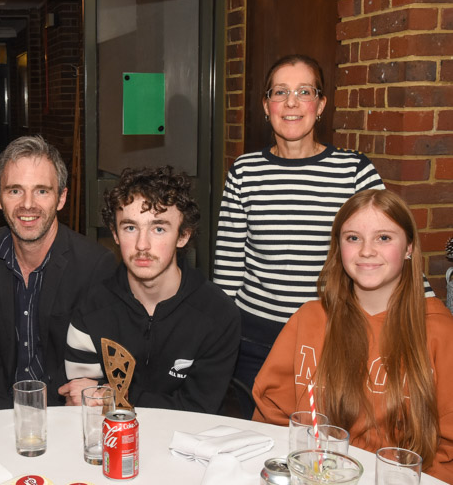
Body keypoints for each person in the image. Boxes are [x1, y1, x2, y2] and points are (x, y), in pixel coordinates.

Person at [213, 54, 385, 413]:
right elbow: (228, 269)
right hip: (254, 340)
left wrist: (427, 313)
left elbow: (387, 250)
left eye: (304, 92)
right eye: (280, 92)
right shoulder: (244, 171)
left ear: (320, 105)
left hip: (330, 336)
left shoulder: (354, 171)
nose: (291, 103)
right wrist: (218, 338)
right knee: (254, 434)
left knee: (324, 436)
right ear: (266, 106)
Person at [252, 189, 453, 482]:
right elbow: (272, 421)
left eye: (383, 238)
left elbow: (448, 452)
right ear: (338, 247)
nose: (366, 250)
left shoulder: (440, 330)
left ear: (409, 247)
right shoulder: (308, 319)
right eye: (353, 238)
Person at [60, 167, 240, 412]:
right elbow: (82, 403)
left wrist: (115, 397)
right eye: (130, 228)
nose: (142, 245)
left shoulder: (218, 314)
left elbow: (199, 411)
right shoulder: (91, 310)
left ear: (183, 236)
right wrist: (103, 398)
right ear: (115, 234)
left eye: (159, 229)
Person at [0, 136, 116, 411]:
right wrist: (4, 419)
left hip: (63, 408)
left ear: (61, 198)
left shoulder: (95, 266)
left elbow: (100, 363)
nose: (28, 204)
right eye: (15, 191)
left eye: (42, 191)